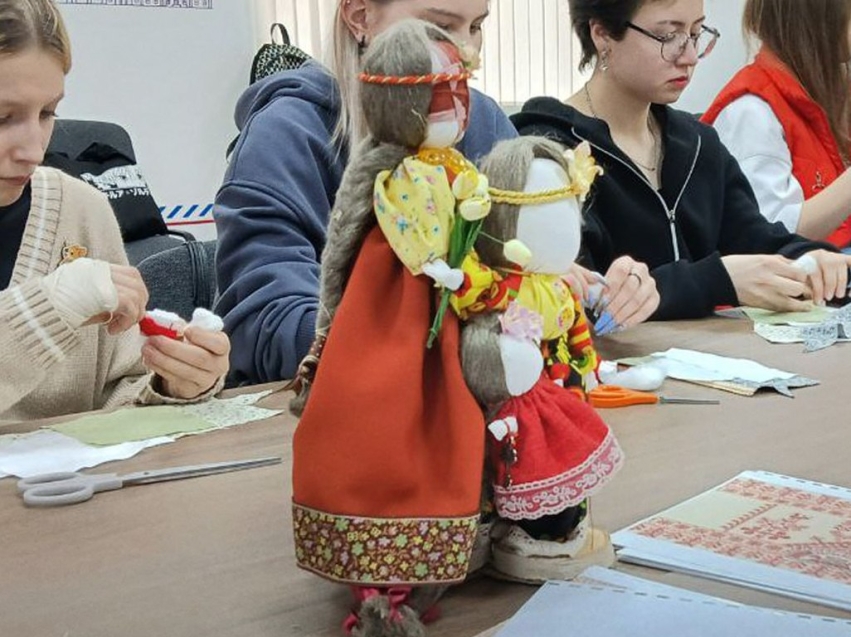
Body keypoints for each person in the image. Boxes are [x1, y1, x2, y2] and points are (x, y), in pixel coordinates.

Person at [213, 0, 518, 386]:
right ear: (360, 17)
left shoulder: (485, 125)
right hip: (329, 403)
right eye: (440, 27)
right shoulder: (285, 135)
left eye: (475, 27)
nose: (467, 52)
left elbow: (533, 264)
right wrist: (431, 331)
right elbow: (268, 325)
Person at [511, 0, 851, 320]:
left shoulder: (698, 145)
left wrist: (809, 258)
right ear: (602, 34)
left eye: (696, 34)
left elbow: (757, 240)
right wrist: (715, 280)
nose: (689, 57)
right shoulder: (549, 150)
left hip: (709, 357)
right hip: (609, 362)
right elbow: (577, 296)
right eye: (667, 36)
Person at [0, 0, 230, 422]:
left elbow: (121, 389)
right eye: (1, 118)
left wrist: (172, 383)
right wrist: (48, 309)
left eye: (48, 113)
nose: (34, 150)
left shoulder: (82, 210)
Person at [702, 0, 851, 248]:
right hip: (800, 265)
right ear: (818, 19)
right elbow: (770, 235)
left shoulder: (824, 91)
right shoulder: (751, 111)